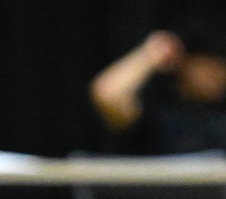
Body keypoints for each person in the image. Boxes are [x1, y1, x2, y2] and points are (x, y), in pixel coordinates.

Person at [93, 21, 226, 157]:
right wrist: (150, 54)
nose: (212, 73)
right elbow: (107, 94)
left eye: (219, 67)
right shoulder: (160, 115)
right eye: (204, 65)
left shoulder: (220, 117)